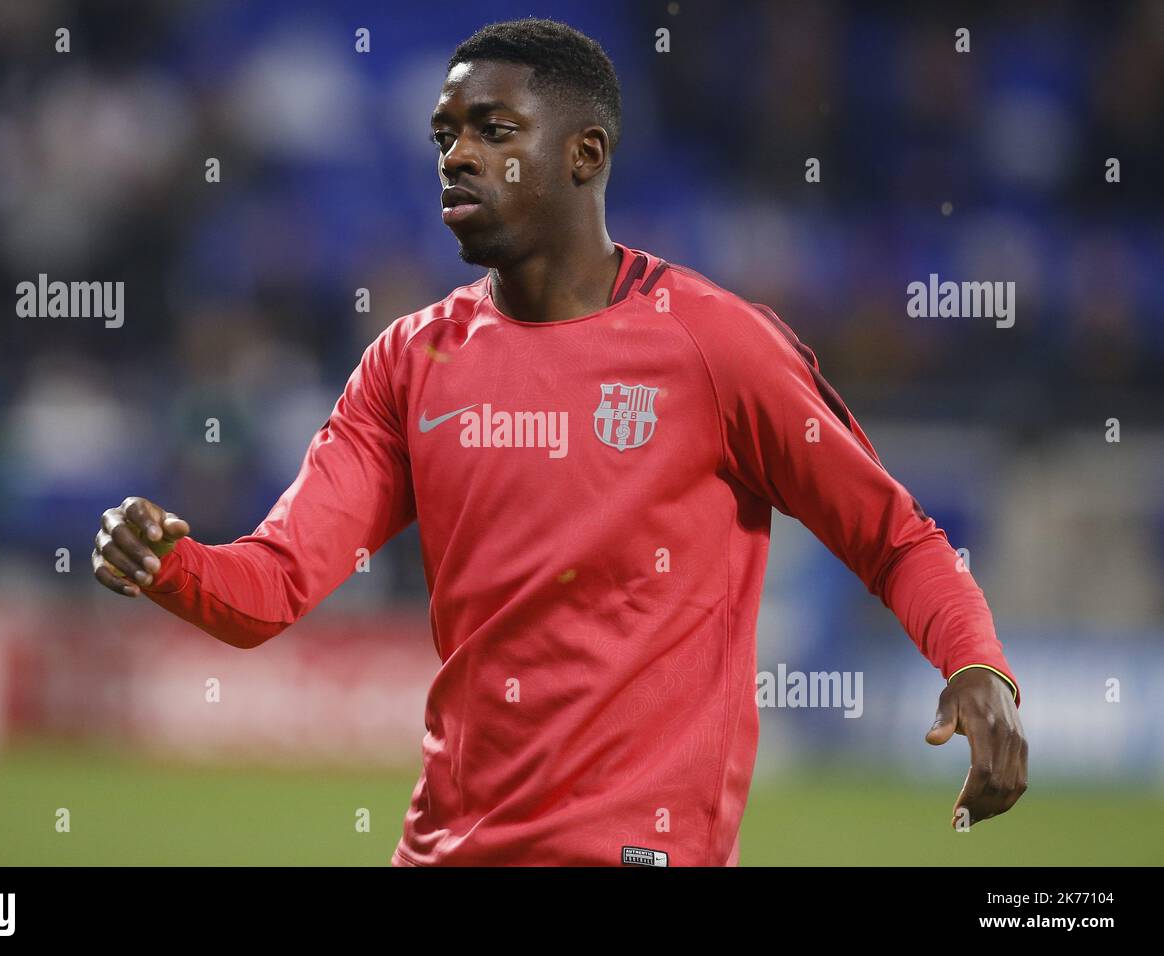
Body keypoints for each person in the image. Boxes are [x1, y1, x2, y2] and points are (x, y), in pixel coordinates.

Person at [93, 17, 1027, 866]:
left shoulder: (717, 346)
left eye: (493, 131)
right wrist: (171, 565)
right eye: (445, 134)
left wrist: (976, 665)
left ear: (585, 154)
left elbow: (894, 536)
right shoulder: (409, 365)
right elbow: (271, 587)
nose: (456, 156)